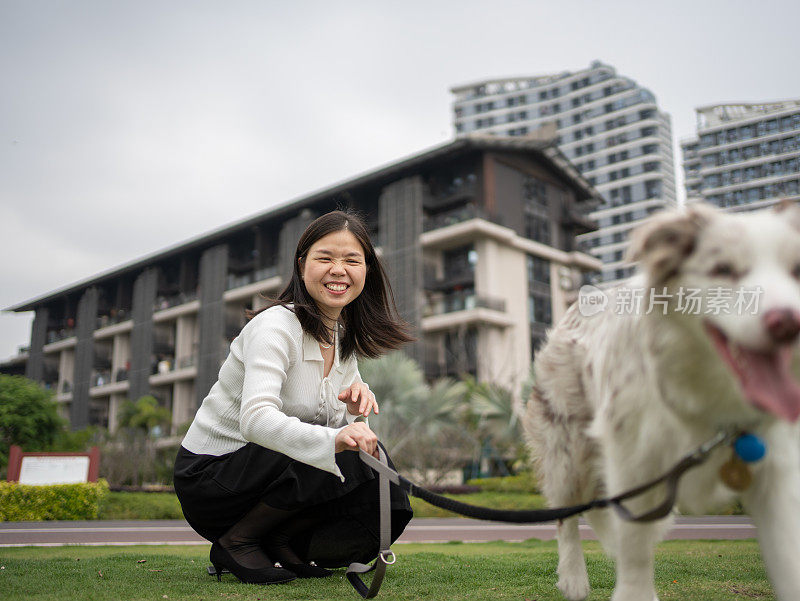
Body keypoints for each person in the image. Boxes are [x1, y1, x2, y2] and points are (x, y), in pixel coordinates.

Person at [173, 210, 414, 585]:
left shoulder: (342, 337)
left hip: (261, 476)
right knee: (333, 445)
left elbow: (338, 436)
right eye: (325, 258)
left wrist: (352, 416)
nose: (339, 270)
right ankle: (238, 540)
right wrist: (338, 436)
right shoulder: (274, 327)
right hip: (212, 477)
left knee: (370, 457)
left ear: (367, 270)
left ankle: (281, 540)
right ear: (302, 265)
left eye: (352, 260)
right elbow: (256, 420)